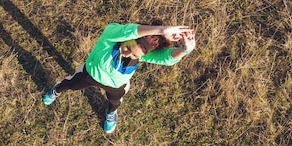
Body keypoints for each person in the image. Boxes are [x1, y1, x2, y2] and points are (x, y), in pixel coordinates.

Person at [43, 20, 196, 133]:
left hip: (116, 86)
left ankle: (111, 114)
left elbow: (166, 59)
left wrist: (184, 50)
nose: (127, 53)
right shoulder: (110, 38)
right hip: (89, 74)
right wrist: (161, 30)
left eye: (134, 54)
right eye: (128, 47)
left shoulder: (141, 55)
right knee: (71, 85)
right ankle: (57, 90)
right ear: (127, 38)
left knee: (114, 102)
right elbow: (128, 31)